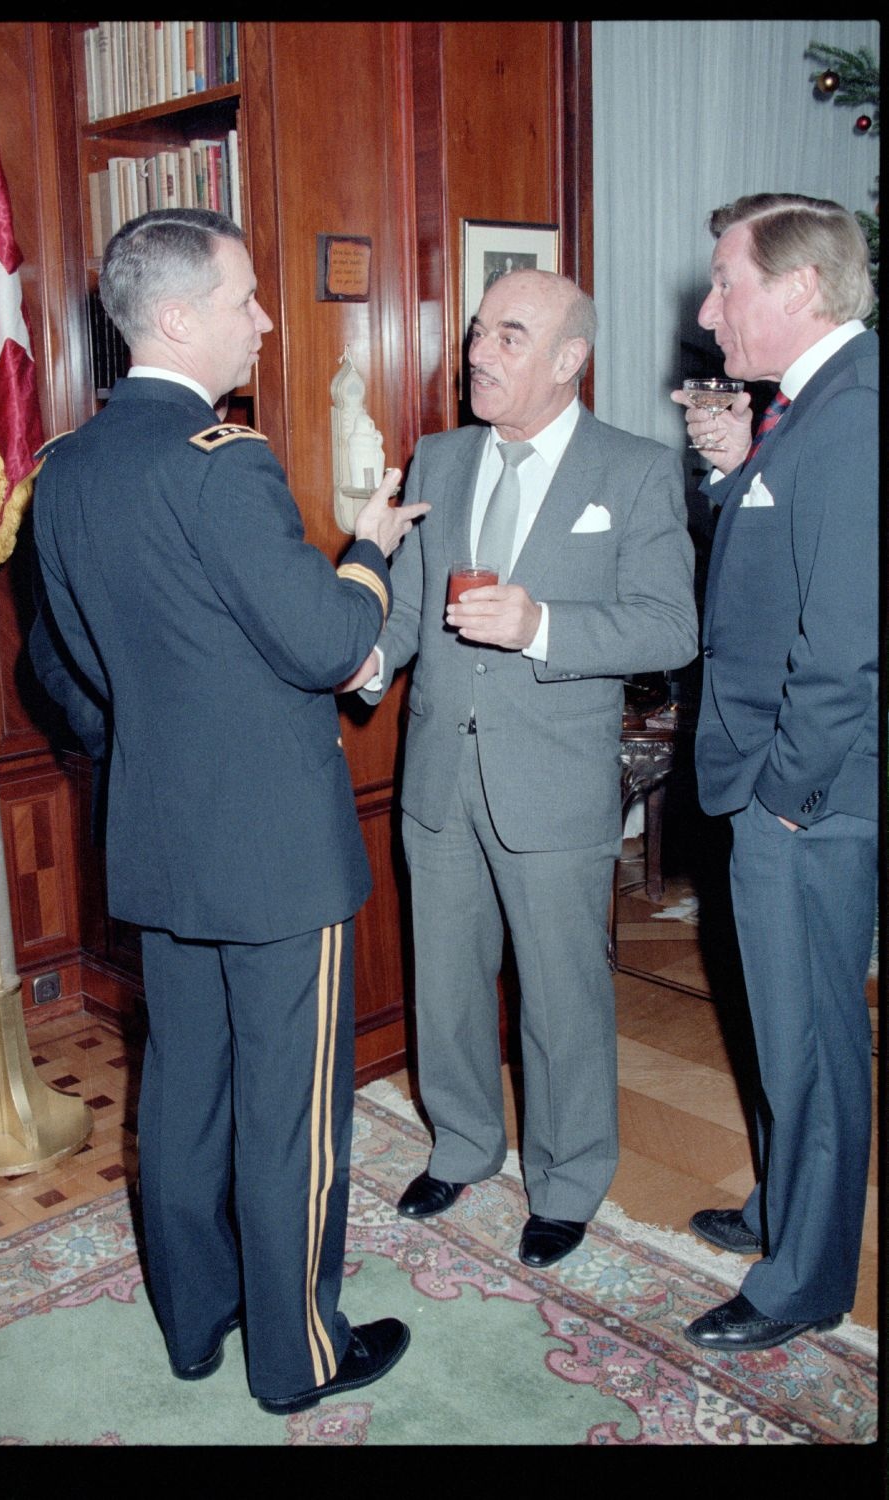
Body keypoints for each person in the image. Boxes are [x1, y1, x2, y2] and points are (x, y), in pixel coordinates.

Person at [31, 207, 429, 1415]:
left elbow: (65, 669)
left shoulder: (70, 465)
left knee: (183, 1093)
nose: (265, 320)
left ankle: (197, 1325)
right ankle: (298, 1355)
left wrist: (159, 747)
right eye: (248, 298)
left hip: (156, 837)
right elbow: (324, 645)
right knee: (289, 1112)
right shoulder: (225, 459)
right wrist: (365, 551)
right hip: (274, 856)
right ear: (175, 317)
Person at [343, 269, 697, 1267]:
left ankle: (570, 1179)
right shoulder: (440, 457)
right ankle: (461, 1144)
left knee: (561, 994)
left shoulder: (630, 471)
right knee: (445, 983)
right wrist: (364, 657)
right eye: (474, 332)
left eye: (507, 335)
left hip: (552, 786)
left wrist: (542, 624)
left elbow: (672, 626)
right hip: (438, 780)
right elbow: (411, 609)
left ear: (569, 362)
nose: (476, 353)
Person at [671, 193, 877, 1352]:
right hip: (777, 781)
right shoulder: (809, 408)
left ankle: (803, 1279)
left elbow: (843, 647)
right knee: (780, 1024)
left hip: (806, 794)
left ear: (798, 291)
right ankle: (783, 1212)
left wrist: (786, 802)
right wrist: (730, 472)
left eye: (724, 284)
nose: (707, 312)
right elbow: (771, 570)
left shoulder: (857, 413)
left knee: (814, 1040)